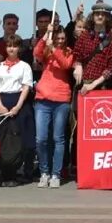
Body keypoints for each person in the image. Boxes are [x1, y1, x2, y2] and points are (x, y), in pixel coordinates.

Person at [33, 20, 75, 188]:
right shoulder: (47, 52)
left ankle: (56, 174)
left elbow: (66, 64)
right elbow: (36, 52)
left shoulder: (69, 51)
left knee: (58, 138)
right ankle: (44, 172)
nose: (60, 40)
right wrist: (45, 36)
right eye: (57, 38)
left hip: (61, 100)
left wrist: (55, 49)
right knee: (41, 138)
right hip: (43, 99)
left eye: (62, 38)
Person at [0, 37, 35, 186]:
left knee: (19, 139)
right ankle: (0, 171)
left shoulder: (24, 66)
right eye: (9, 46)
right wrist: (0, 106)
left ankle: (15, 173)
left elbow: (26, 87)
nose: (11, 49)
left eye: (14, 46)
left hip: (18, 102)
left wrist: (18, 106)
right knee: (0, 138)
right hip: (1, 102)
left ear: (19, 48)